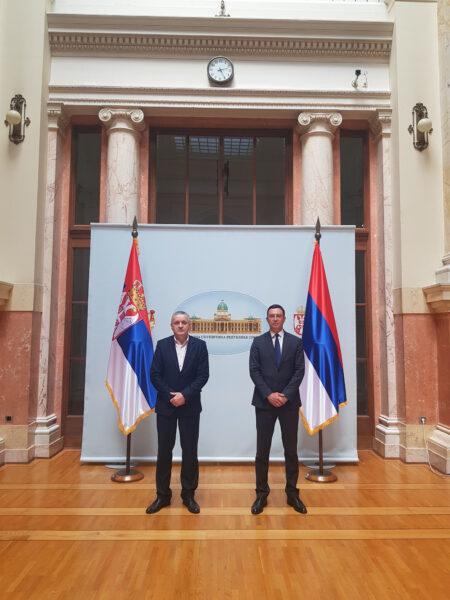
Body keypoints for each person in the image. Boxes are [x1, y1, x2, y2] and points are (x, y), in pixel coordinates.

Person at [146, 311, 209, 514]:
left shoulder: (200, 346)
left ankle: (188, 495)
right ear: (171, 326)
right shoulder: (162, 345)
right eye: (176, 322)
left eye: (184, 322)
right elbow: (155, 375)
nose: (180, 325)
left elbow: (203, 376)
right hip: (166, 407)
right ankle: (162, 495)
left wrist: (185, 395)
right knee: (164, 451)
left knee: (189, 451)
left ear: (190, 325)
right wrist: (170, 396)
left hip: (190, 407)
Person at [249, 304, 306, 515]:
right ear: (267, 319)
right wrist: (269, 395)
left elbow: (299, 371)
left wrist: (285, 395)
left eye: (278, 316)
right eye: (271, 316)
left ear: (284, 319)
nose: (275, 319)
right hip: (264, 403)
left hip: (289, 404)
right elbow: (254, 371)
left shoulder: (296, 343)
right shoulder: (258, 342)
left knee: (291, 450)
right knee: (262, 451)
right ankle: (261, 494)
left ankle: (292, 494)